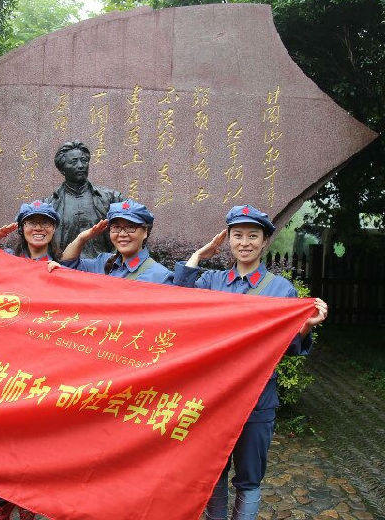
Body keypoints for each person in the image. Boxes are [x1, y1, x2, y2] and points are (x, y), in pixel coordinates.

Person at [172, 204, 328, 520]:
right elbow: (177, 303)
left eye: (253, 236)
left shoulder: (280, 289)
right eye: (238, 235)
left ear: (264, 241)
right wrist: (199, 256)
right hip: (213, 397)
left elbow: (287, 349)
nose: (245, 242)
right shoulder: (212, 282)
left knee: (250, 477)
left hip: (257, 399)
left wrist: (305, 327)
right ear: (228, 239)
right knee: (213, 470)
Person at [0, 200, 62, 520]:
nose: (38, 228)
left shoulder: (65, 267)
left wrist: (64, 277)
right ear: (21, 227)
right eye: (31, 222)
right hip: (4, 363)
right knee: (2, 437)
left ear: (53, 229)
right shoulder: (1, 262)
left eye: (45, 223)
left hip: (46, 368)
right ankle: (1, 502)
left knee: (37, 440)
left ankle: (29, 503)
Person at [60, 199, 173, 284]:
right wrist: (82, 238)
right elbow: (68, 265)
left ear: (145, 232)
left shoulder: (160, 276)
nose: (122, 234)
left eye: (130, 227)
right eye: (116, 227)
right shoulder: (102, 262)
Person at [45, 141, 122, 259]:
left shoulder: (111, 198)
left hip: (103, 271)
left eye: (84, 161)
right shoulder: (49, 204)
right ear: (62, 169)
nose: (81, 165)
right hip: (64, 270)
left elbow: (141, 222)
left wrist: (116, 258)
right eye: (73, 162)